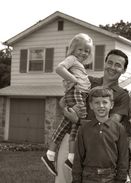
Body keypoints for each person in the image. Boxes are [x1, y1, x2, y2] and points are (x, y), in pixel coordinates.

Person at [55, 49, 131, 183]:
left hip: (96, 145)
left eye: (118, 65)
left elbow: (109, 124)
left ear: (124, 70)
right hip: (71, 137)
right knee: (63, 178)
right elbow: (63, 101)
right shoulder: (88, 81)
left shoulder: (122, 95)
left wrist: (77, 120)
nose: (112, 67)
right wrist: (67, 108)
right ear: (105, 63)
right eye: (110, 62)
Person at [41, 33, 93, 175]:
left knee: (67, 123)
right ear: (73, 49)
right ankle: (71, 158)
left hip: (78, 93)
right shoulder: (72, 59)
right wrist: (74, 80)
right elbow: (59, 68)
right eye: (80, 49)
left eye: (87, 51)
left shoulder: (79, 64)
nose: (84, 53)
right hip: (76, 93)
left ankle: (50, 154)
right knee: (78, 120)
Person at [72, 86, 129, 183]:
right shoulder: (84, 129)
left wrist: (121, 178)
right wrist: (76, 178)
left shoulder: (119, 128)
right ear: (91, 105)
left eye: (105, 102)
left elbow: (123, 156)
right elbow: (78, 156)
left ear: (111, 105)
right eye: (97, 103)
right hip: (88, 176)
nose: (101, 106)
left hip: (111, 176)